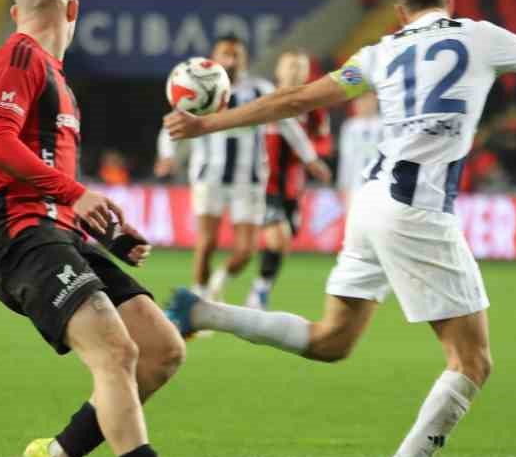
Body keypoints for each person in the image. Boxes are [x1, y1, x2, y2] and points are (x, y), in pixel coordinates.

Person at [162, 0, 516, 457]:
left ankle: (205, 312)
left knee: (333, 340)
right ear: (448, 1)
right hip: (418, 210)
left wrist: (208, 127)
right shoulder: (481, 35)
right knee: (471, 361)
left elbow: (298, 100)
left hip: (369, 202)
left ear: (400, 14)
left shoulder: (380, 52)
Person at [0, 0, 227, 457]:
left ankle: (59, 453)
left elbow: (44, 174)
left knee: (161, 350)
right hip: (20, 238)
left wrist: (104, 234)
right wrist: (75, 193)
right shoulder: (18, 57)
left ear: (19, 10)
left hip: (59, 234)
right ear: (74, 9)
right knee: (115, 352)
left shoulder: (57, 80)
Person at [154, 35, 326, 301]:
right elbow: (172, 125)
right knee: (207, 243)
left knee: (246, 250)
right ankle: (198, 298)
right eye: (226, 54)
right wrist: (167, 155)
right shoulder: (198, 87)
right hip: (208, 176)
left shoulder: (259, 89)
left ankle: (217, 284)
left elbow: (287, 123)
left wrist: (310, 158)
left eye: (237, 55)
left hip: (249, 180)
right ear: (214, 56)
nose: (232, 60)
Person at [251, 49, 333, 309]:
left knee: (286, 240)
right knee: (278, 237)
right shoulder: (264, 100)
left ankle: (262, 285)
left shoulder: (314, 107)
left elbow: (323, 141)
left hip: (293, 186)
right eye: (290, 66)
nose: (295, 72)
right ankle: (259, 292)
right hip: (263, 183)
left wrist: (313, 156)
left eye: (301, 67)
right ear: (278, 70)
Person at [336, 91, 383, 214]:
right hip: (355, 184)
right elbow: (345, 159)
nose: (365, 104)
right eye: (361, 100)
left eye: (368, 100)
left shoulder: (384, 125)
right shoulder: (349, 126)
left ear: (375, 101)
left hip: (379, 185)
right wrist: (343, 185)